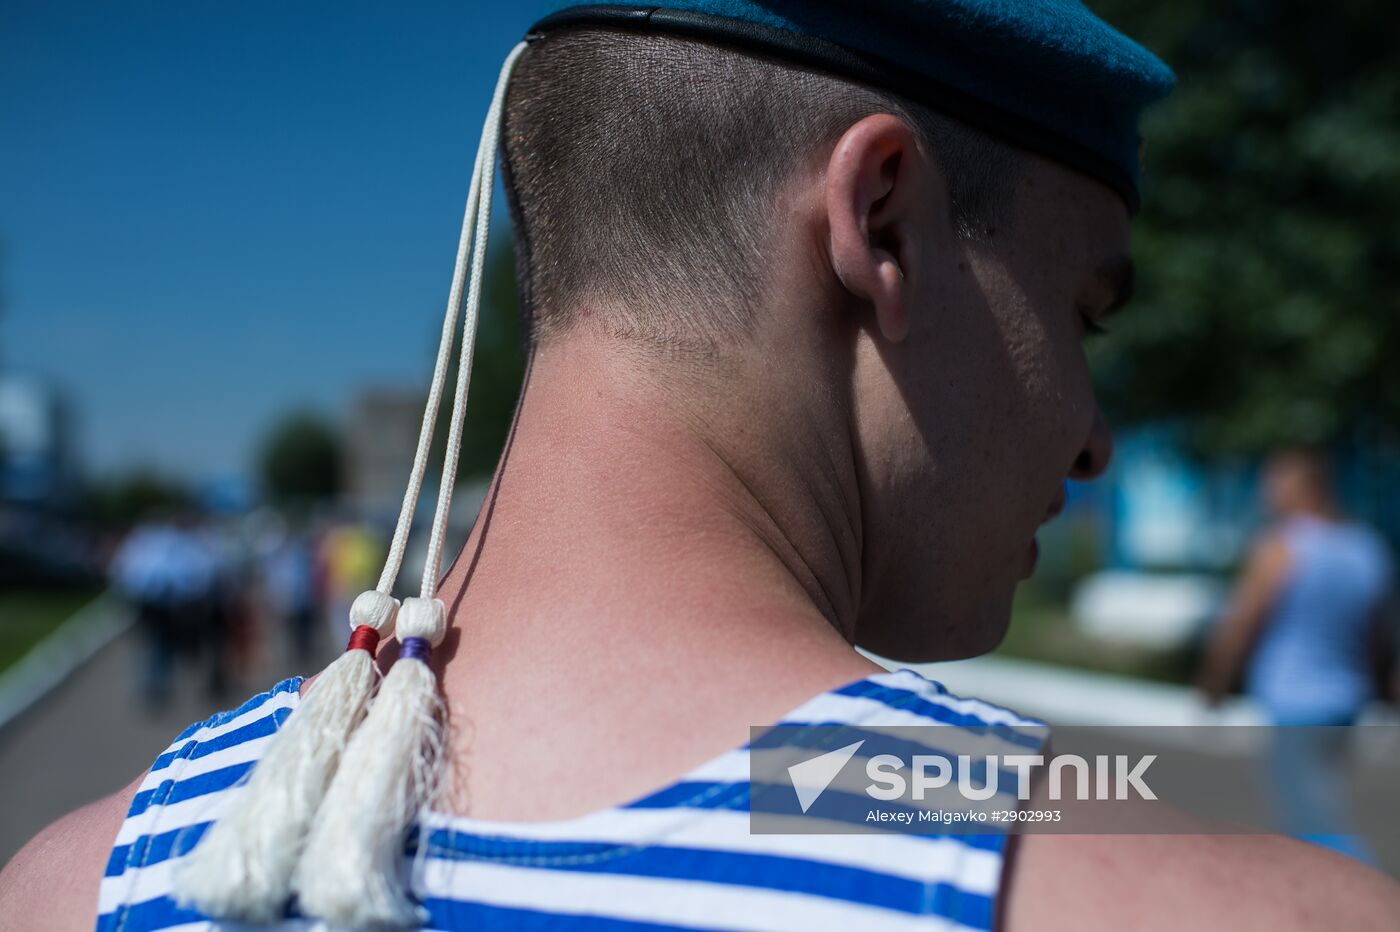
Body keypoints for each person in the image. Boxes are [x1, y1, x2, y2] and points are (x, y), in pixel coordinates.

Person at [5, 2, 1400, 929]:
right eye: (1083, 315)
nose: (1095, 428)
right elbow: (844, 785)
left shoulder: (92, 879)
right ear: (886, 221)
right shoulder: (1193, 895)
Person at [1197, 446, 1397, 863]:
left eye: (1274, 480)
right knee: (1317, 803)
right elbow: (1381, 639)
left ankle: (1369, 900)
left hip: (1295, 704)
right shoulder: (1367, 549)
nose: (1265, 492)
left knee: (1314, 820)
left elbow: (1240, 624)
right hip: (1347, 704)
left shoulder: (1281, 549)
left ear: (1304, 485)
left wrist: (1214, 684)